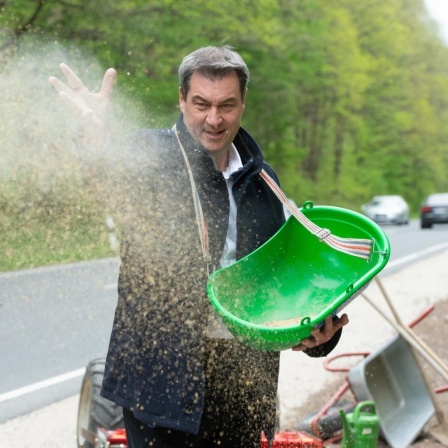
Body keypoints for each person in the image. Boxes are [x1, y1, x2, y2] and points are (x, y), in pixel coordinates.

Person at [49, 45, 348, 448]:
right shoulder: (151, 156)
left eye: (226, 105)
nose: (213, 119)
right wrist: (95, 142)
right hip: (161, 387)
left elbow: (275, 287)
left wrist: (316, 335)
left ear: (243, 104)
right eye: (201, 104)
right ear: (181, 100)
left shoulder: (264, 182)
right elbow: (106, 181)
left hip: (243, 391)